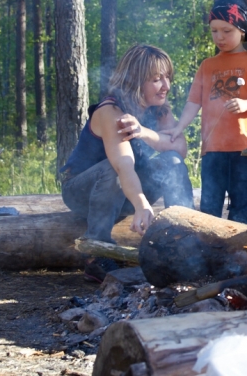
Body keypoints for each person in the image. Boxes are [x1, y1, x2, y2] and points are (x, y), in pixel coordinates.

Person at [59, 44, 194, 281]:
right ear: (135, 80)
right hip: (83, 192)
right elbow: (123, 165)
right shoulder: (111, 112)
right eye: (156, 79)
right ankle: (96, 253)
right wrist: (142, 204)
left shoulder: (160, 110)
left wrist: (143, 131)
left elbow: (179, 149)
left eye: (167, 78)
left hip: (125, 191)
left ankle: (182, 242)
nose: (166, 86)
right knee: (111, 170)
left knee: (172, 162)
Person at [167, 0, 247, 224]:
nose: (219, 37)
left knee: (240, 207)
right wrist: (178, 127)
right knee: (209, 207)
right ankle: (208, 255)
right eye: (214, 31)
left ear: (242, 30)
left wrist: (246, 104)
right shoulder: (208, 65)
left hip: (245, 149)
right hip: (212, 149)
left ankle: (238, 256)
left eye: (226, 30)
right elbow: (192, 103)